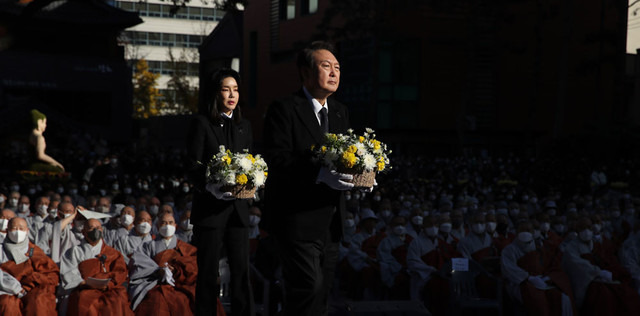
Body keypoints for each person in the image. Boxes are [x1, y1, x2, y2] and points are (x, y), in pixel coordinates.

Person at [263, 40, 354, 316]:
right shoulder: (285, 109)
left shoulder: (340, 112)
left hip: (330, 220)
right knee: (307, 287)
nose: (334, 73)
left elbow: (346, 156)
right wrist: (320, 172)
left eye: (337, 67)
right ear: (305, 72)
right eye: (326, 66)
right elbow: (277, 159)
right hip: (296, 219)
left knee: (322, 295)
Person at [187, 68, 254, 316]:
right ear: (216, 93)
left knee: (241, 271)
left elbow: (250, 161)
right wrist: (210, 186)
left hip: (238, 208)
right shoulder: (202, 123)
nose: (231, 94)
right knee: (207, 273)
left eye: (235, 89)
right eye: (226, 89)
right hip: (210, 209)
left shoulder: (244, 125)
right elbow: (191, 165)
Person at [59, 218, 133, 316]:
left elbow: (120, 272)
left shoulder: (112, 253)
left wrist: (109, 284)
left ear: (102, 230)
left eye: (98, 227)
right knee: (85, 300)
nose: (95, 231)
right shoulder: (73, 251)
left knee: (117, 300)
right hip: (84, 287)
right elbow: (69, 271)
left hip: (109, 288)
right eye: (91, 228)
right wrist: (82, 283)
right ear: (83, 232)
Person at [128, 213, 198, 315]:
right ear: (157, 226)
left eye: (170, 223)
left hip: (179, 283)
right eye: (163, 223)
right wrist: (157, 270)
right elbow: (138, 263)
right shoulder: (147, 246)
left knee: (182, 299)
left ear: (175, 226)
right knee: (155, 299)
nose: (167, 226)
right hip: (155, 283)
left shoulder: (184, 247)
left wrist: (177, 270)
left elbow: (192, 266)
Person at [0, 217, 59, 315]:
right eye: (14, 228)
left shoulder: (33, 250)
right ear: (7, 231)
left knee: (38, 301)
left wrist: (33, 280)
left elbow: (49, 273)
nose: (18, 232)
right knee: (8, 304)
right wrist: (15, 287)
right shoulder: (1, 249)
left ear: (27, 231)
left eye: (21, 228)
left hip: (31, 288)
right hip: (6, 290)